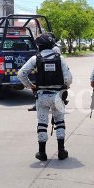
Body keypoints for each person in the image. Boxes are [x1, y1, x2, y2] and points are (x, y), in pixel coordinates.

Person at [18, 33, 73, 161]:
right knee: (60, 122)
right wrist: (64, 87)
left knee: (42, 123)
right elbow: (69, 79)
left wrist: (31, 86)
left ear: (39, 46)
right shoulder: (60, 58)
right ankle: (61, 151)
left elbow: (21, 74)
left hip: (42, 97)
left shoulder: (35, 58)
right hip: (58, 96)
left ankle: (42, 153)